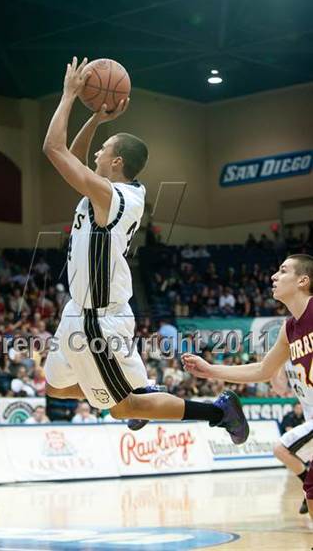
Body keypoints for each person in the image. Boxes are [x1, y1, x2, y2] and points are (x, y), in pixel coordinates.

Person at [42, 56, 248, 448]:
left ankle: (218, 411)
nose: (96, 154)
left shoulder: (111, 196)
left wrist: (69, 95)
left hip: (97, 322)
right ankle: (138, 390)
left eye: (103, 150)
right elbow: (74, 155)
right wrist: (98, 119)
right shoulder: (111, 191)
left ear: (116, 161)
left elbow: (55, 149)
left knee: (123, 407)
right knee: (56, 388)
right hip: (77, 312)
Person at [182, 254, 313, 518]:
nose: (274, 276)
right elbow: (263, 370)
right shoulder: (289, 329)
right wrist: (210, 370)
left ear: (303, 280)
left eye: (283, 271)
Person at [271, 368, 311, 514]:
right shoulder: (285, 355)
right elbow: (280, 389)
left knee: (280, 449)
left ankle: (308, 487)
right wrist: (272, 367)